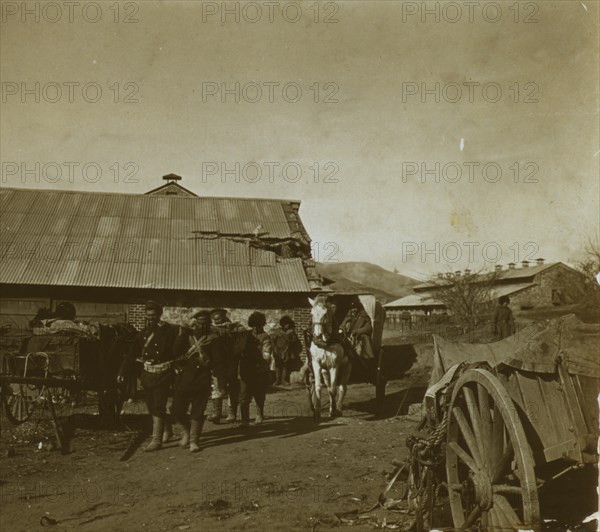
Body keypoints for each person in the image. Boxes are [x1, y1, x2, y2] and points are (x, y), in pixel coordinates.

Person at [118, 301, 177, 452]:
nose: (151, 318)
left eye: (154, 315)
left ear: (159, 315)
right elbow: (131, 354)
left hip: (164, 372)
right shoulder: (143, 333)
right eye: (148, 315)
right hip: (147, 374)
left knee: (158, 404)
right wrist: (122, 372)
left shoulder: (169, 331)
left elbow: (176, 350)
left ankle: (156, 439)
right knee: (152, 406)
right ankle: (167, 430)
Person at [172, 310, 220, 453]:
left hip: (202, 378)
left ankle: (194, 441)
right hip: (184, 377)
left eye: (206, 322)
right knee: (176, 409)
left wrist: (220, 381)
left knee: (198, 411)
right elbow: (175, 352)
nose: (203, 325)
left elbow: (218, 360)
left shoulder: (214, 338)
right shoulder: (186, 335)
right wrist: (182, 334)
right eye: (200, 322)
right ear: (195, 322)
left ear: (209, 323)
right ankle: (186, 432)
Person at [208, 308, 245, 424]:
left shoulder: (233, 328)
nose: (216, 320)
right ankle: (217, 413)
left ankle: (232, 413)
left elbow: (241, 338)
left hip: (231, 362)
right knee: (216, 386)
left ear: (224, 317)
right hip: (217, 363)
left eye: (218, 318)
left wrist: (238, 329)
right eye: (214, 318)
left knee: (232, 387)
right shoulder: (210, 329)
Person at [239, 312, 272, 427]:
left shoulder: (265, 336)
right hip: (245, 369)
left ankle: (259, 414)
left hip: (259, 369)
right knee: (243, 396)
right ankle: (244, 419)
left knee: (259, 394)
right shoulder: (245, 335)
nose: (255, 328)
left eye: (258, 325)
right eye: (253, 325)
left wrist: (263, 362)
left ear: (262, 325)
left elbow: (267, 353)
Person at [271, 316, 303, 386]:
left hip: (287, 351)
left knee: (285, 365)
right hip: (278, 351)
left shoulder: (291, 332)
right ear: (282, 324)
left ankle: (284, 380)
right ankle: (277, 380)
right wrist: (274, 349)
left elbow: (295, 341)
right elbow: (273, 340)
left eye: (288, 324)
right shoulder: (277, 331)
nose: (287, 325)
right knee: (278, 365)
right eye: (285, 324)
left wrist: (291, 336)